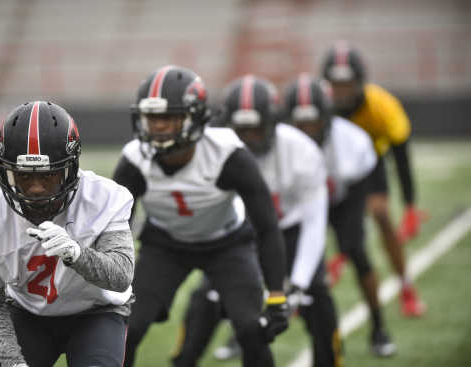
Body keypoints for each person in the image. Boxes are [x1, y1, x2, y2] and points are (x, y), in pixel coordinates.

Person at [112, 66, 289, 367]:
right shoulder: (134, 159)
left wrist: (276, 295)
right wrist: (110, 286)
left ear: (194, 117)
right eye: (152, 118)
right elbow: (115, 227)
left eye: (168, 118)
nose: (158, 128)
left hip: (228, 244)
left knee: (251, 328)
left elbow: (267, 227)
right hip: (165, 245)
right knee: (127, 326)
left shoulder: (229, 155)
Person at [172, 75, 343, 367]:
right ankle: (183, 360)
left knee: (319, 301)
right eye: (241, 129)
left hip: (291, 232)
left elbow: (315, 224)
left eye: (255, 128)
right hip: (238, 236)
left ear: (273, 122)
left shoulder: (302, 152)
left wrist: (298, 285)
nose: (248, 137)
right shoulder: (211, 151)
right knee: (206, 300)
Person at [0, 101, 135, 367]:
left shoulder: (105, 197)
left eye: (48, 176)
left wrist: (76, 254)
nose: (34, 189)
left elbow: (121, 277)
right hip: (28, 313)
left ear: (70, 171)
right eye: (23, 176)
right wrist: (13, 362)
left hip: (97, 312)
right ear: (5, 171)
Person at [286, 73, 396, 356]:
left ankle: (379, 327)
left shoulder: (351, 141)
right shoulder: (280, 143)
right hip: (300, 204)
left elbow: (362, 183)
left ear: (326, 116)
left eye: (312, 121)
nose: (306, 130)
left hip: (341, 201)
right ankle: (245, 332)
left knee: (356, 250)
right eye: (299, 122)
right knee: (285, 261)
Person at [321, 41, 426, 317]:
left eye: (347, 83)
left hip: (370, 164)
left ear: (360, 82)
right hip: (329, 167)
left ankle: (406, 286)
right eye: (336, 84)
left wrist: (410, 206)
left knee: (380, 214)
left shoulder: (382, 105)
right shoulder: (320, 106)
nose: (341, 91)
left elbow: (401, 156)